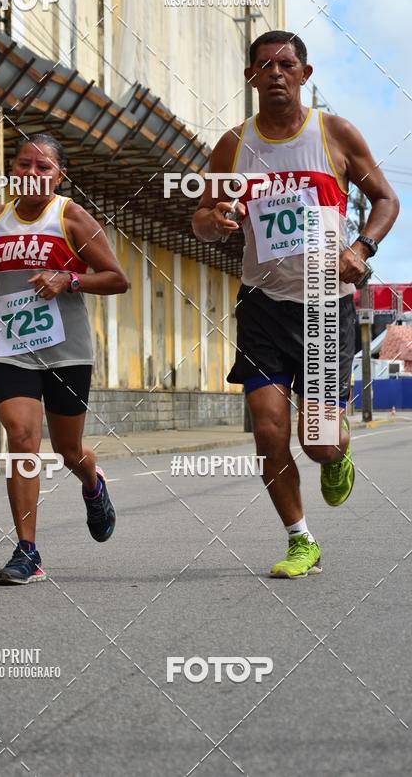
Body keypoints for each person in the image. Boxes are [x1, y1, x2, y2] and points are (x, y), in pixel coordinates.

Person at [192, 30, 399, 578]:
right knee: (267, 430)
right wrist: (214, 220)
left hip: (326, 305)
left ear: (305, 75)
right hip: (262, 303)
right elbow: (203, 218)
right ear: (251, 77)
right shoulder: (233, 145)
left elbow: (386, 198)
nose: (276, 73)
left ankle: (336, 452)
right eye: (265, 65)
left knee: (319, 442)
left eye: (287, 64)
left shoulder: (333, 134)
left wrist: (361, 248)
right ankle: (300, 539)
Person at [0, 133, 129, 585]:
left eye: (43, 167)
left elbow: (117, 278)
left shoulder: (71, 217)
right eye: (23, 164)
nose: (31, 173)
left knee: (68, 450)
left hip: (67, 352)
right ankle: (27, 552)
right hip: (12, 349)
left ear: (59, 176)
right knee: (20, 437)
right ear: (12, 170)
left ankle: (92, 483)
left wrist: (68, 279)